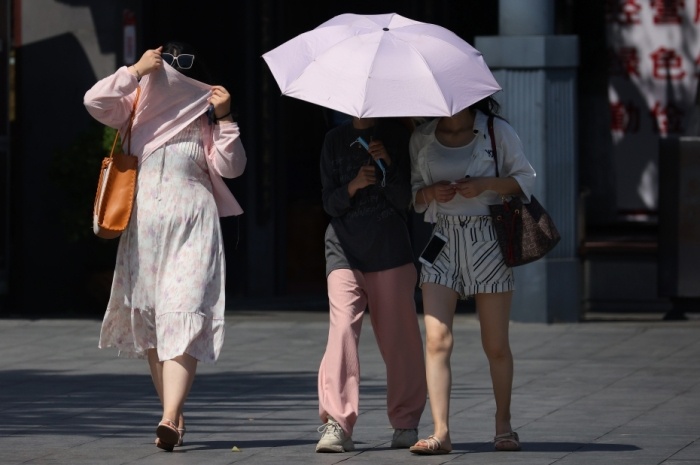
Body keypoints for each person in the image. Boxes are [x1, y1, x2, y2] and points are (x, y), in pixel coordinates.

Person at [83, 41, 246, 452]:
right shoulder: (133, 105)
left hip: (193, 228)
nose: (173, 71)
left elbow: (232, 167)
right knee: (154, 321)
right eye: (168, 63)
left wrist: (225, 117)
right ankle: (172, 414)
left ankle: (170, 417)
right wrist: (134, 71)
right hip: (144, 233)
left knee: (184, 310)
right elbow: (94, 100)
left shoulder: (204, 115)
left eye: (183, 65)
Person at [407, 97, 535, 455]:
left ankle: (504, 425)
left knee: (495, 344)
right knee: (436, 340)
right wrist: (431, 193)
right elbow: (415, 196)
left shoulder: (497, 131)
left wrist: (484, 185)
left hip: (487, 238)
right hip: (442, 240)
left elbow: (525, 180)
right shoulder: (422, 137)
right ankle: (441, 432)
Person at [315, 116, 427, 453]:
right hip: (343, 250)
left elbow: (406, 200)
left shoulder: (398, 137)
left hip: (390, 250)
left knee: (399, 337)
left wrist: (387, 164)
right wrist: (352, 186)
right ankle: (337, 423)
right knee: (342, 332)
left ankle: (406, 422)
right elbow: (328, 202)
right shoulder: (334, 140)